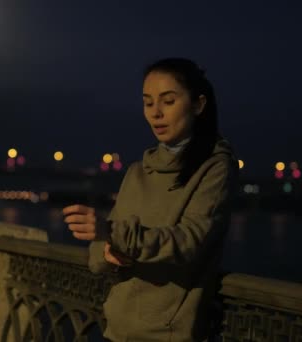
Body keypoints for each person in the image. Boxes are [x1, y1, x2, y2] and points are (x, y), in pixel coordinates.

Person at [62, 57, 239, 342]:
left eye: (168, 101)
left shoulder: (215, 167)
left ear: (198, 105)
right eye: (148, 102)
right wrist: (108, 251)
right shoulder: (137, 171)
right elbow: (97, 258)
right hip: (115, 331)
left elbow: (189, 242)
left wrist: (111, 233)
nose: (156, 113)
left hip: (167, 335)